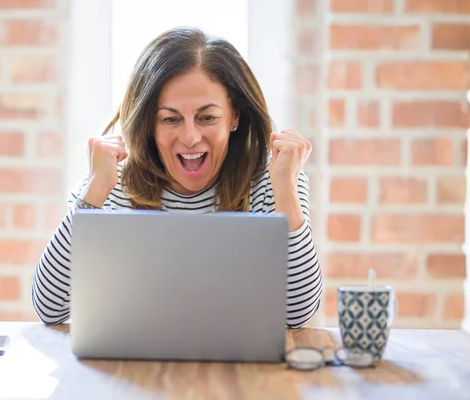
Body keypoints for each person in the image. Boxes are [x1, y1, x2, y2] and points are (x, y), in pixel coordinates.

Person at [31, 26, 322, 329]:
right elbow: (50, 308)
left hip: (240, 374)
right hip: (132, 373)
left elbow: (298, 313)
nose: (191, 137)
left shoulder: (274, 179)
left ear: (234, 116)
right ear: (149, 124)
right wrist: (94, 192)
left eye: (207, 117)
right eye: (170, 119)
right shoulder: (112, 182)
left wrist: (286, 190)